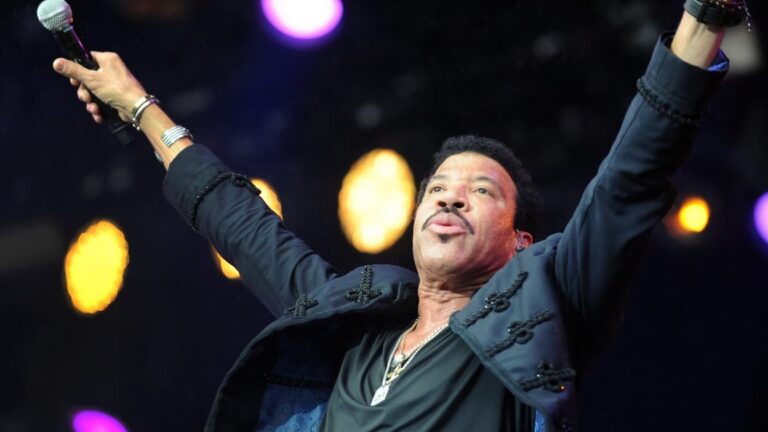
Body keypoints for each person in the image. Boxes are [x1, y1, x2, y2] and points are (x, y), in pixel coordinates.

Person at [51, 2, 745, 431]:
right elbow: (241, 224)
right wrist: (139, 107)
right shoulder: (352, 328)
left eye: (480, 191)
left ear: (521, 243)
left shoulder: (544, 310)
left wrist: (706, 15)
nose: (448, 197)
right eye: (437, 187)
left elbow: (631, 178)